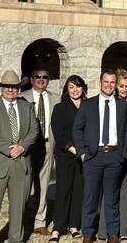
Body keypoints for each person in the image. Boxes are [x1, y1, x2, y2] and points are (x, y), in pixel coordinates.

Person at [73, 69, 127, 243]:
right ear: (100, 82)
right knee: (90, 198)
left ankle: (112, 233)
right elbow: (77, 129)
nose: (109, 85)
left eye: (112, 82)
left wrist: (126, 151)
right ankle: (87, 234)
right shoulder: (88, 104)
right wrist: (82, 152)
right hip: (93, 157)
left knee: (112, 197)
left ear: (115, 84)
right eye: (106, 81)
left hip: (115, 157)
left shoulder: (123, 106)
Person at [0, 70, 39, 243]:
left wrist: (22, 147)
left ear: (18, 88)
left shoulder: (27, 107)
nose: (10, 90)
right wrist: (10, 149)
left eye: (13, 86)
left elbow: (34, 130)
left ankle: (16, 239)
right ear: (1, 88)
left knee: (19, 208)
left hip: (21, 164)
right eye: (6, 86)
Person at [19, 66, 60, 235]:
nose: (41, 79)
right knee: (24, 185)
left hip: (48, 144)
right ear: (31, 78)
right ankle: (19, 221)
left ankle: (39, 222)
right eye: (37, 76)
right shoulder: (22, 98)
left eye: (44, 77)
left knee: (43, 184)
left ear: (48, 80)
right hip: (27, 147)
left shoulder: (57, 99)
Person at [99, 68, 127, 241]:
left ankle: (122, 230)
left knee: (125, 190)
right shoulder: (106, 102)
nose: (123, 89)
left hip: (126, 153)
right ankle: (105, 230)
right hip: (110, 153)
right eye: (120, 86)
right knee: (109, 192)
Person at [50, 75, 88, 242]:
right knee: (63, 191)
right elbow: (58, 133)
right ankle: (58, 228)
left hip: (84, 156)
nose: (75, 90)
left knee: (79, 191)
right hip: (66, 155)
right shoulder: (60, 108)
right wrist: (73, 149)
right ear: (66, 89)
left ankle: (73, 225)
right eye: (71, 87)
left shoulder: (88, 106)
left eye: (78, 86)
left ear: (83, 88)